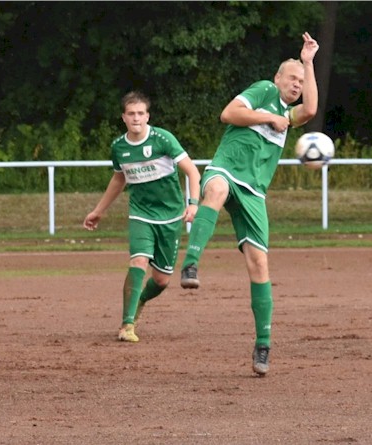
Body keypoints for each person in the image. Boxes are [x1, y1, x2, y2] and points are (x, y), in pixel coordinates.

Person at [179, 32, 320, 376]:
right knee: (214, 192)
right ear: (277, 79)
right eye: (292, 78)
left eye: (301, 81)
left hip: (255, 192)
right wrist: (266, 117)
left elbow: (312, 110)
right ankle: (191, 265)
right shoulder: (265, 92)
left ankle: (263, 345)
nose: (297, 84)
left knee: (259, 265)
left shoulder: (289, 116)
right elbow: (228, 114)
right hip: (226, 169)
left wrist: (309, 62)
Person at [84, 91, 201, 343]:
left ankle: (141, 300)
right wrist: (98, 211)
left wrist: (192, 204)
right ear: (123, 117)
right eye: (131, 114)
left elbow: (193, 172)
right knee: (138, 261)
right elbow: (119, 178)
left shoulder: (163, 139)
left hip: (170, 216)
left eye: (140, 113)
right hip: (140, 213)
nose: (136, 118)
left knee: (161, 280)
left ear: (147, 116)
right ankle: (127, 324)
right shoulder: (119, 147)